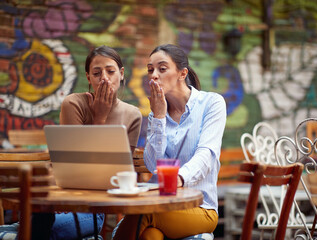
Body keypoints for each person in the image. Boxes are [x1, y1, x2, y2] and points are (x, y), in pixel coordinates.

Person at [113, 44, 226, 240]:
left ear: (182, 73)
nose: (153, 75)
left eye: (162, 69)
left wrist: (178, 179)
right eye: (150, 70)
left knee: (144, 213)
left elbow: (206, 155)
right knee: (150, 235)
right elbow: (152, 165)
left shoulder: (212, 103)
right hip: (161, 205)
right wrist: (158, 117)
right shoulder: (158, 113)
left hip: (200, 209)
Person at [32, 45, 142, 240]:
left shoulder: (132, 115)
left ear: (122, 74)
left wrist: (100, 117)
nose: (104, 78)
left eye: (110, 71)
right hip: (62, 199)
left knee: (42, 229)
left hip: (94, 209)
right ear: (89, 78)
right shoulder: (73, 103)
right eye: (97, 73)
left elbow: (115, 175)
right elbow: (73, 170)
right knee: (41, 221)